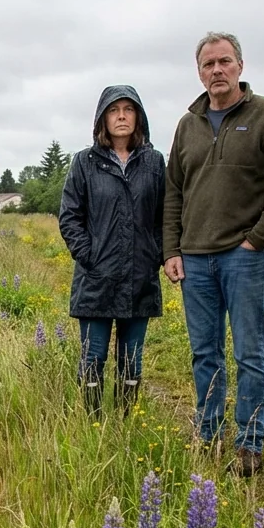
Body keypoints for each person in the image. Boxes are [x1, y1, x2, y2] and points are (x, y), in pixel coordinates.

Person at [163, 32, 264, 477]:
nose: (216, 71)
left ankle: (250, 442)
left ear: (240, 65)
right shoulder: (188, 125)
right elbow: (173, 193)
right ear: (199, 72)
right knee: (205, 353)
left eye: (224, 62)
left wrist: (257, 239)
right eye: (208, 64)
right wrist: (171, 249)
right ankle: (209, 433)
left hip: (244, 257)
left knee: (250, 352)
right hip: (195, 258)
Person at [58, 85, 166, 417]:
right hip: (97, 280)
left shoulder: (154, 162)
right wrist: (90, 256)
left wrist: (154, 255)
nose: (121, 116)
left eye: (128, 109)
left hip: (140, 278)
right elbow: (70, 216)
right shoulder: (84, 163)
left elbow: (167, 215)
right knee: (93, 358)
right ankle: (92, 424)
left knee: (131, 359)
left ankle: (124, 422)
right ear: (102, 118)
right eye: (113, 110)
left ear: (139, 116)